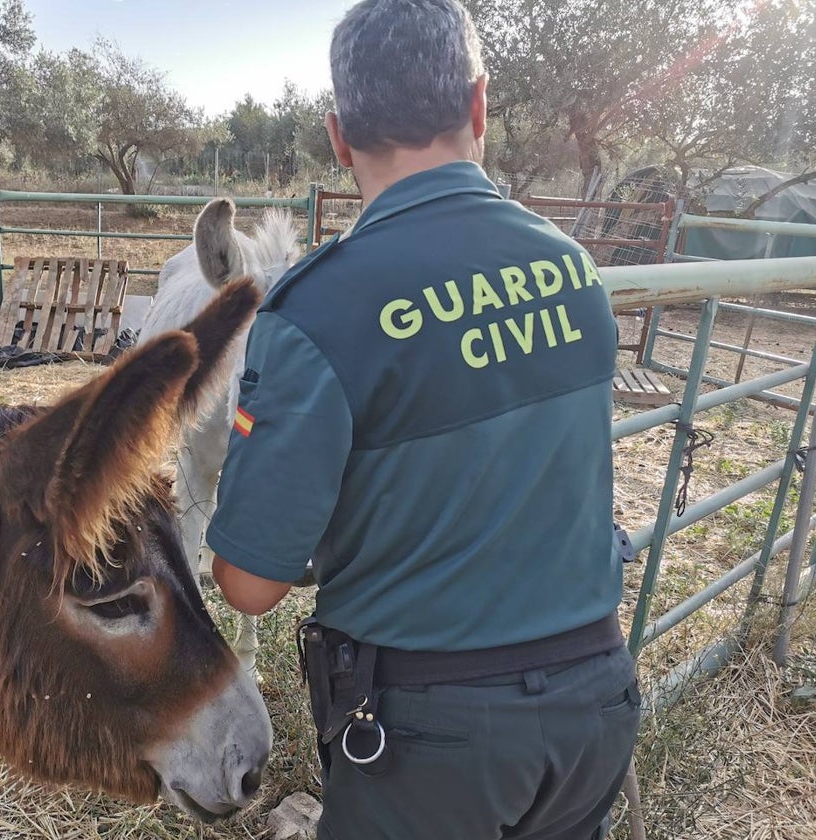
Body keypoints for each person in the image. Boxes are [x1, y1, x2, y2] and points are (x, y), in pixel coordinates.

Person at [205, 1, 640, 837]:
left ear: (339, 137)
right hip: (595, 703)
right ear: (478, 106)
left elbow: (250, 586)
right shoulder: (573, 270)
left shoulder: (317, 311)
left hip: (431, 744)